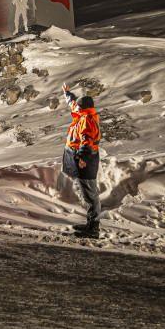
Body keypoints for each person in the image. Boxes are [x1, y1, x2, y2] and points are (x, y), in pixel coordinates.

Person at [61, 82, 102, 238]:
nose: (75, 108)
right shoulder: (82, 114)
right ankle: (90, 224)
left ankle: (93, 229)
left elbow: (87, 140)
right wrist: (67, 93)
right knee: (87, 193)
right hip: (82, 157)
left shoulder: (87, 120)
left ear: (84, 108)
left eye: (78, 106)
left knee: (90, 194)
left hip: (87, 159)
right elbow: (73, 105)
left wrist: (83, 158)